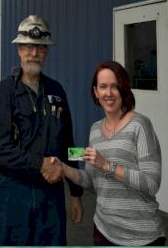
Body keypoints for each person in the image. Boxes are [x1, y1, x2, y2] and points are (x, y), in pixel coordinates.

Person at [0, 15, 83, 246]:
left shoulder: (57, 91)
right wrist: (40, 164)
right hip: (11, 194)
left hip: (50, 195)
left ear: (47, 51)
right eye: (28, 46)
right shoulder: (3, 93)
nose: (34, 53)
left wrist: (77, 191)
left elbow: (71, 143)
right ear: (18, 49)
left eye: (40, 47)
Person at [44, 61, 167, 246]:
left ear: (123, 89)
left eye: (114, 86)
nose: (108, 93)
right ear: (95, 92)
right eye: (103, 87)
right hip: (103, 232)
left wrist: (106, 165)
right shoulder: (95, 130)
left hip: (141, 236)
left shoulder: (140, 125)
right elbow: (93, 182)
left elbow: (151, 183)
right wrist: (63, 168)